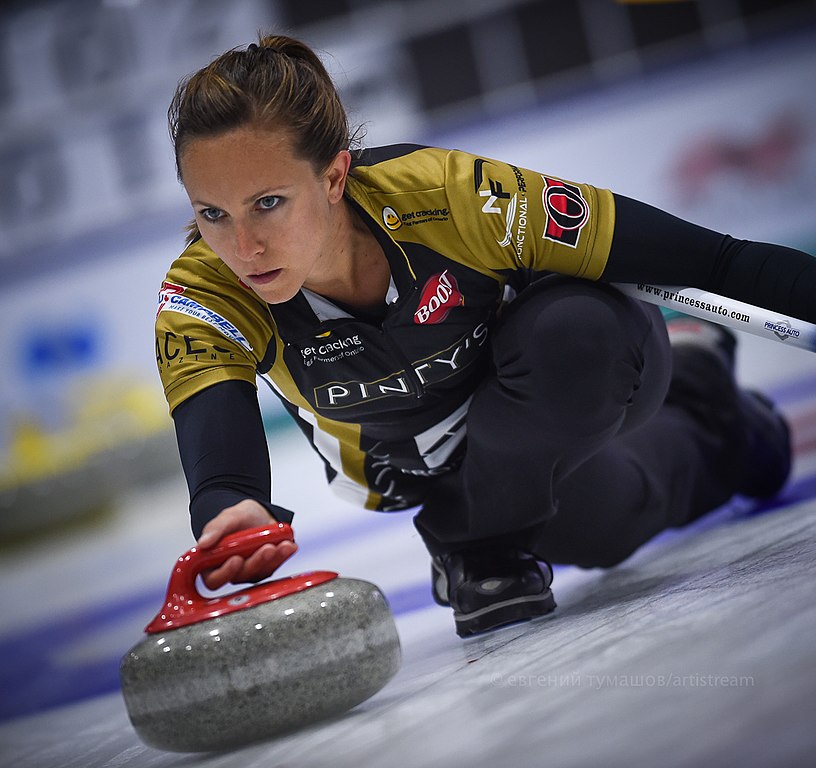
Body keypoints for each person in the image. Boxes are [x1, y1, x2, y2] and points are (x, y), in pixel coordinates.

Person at [156, 33, 813, 637]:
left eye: (268, 203)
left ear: (333, 176)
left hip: (561, 381)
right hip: (438, 473)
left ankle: (473, 541)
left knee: (580, 333)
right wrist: (229, 507)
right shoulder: (205, 292)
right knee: (604, 527)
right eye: (212, 213)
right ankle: (715, 408)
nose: (242, 246)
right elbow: (221, 459)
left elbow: (717, 260)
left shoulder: (449, 197)